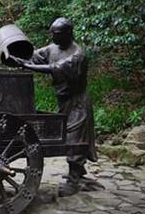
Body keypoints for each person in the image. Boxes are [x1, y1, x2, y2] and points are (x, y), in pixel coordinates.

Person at [13, 17, 100, 197]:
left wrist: (28, 66)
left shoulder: (77, 54)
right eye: (52, 33)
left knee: (75, 138)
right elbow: (36, 55)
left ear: (68, 33)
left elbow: (55, 68)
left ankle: (74, 179)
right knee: (66, 134)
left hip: (78, 102)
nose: (53, 36)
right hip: (64, 100)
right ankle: (79, 171)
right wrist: (17, 56)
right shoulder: (53, 48)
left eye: (57, 34)